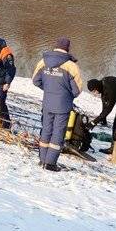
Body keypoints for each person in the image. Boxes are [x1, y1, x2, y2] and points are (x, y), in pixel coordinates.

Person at [32, 37, 83, 172]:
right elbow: (77, 90)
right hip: (63, 105)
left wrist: (49, 89)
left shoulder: (43, 61)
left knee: (46, 129)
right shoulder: (71, 66)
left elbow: (35, 80)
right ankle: (50, 163)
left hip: (47, 103)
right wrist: (65, 93)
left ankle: (42, 159)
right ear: (67, 48)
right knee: (58, 133)